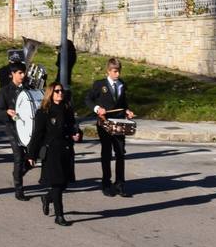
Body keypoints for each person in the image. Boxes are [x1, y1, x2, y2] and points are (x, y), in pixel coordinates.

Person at [24, 81, 82, 226]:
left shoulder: (67, 109)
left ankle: (47, 198)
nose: (60, 93)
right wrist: (31, 155)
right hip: (51, 151)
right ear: (51, 93)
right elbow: (37, 135)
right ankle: (59, 216)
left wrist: (77, 134)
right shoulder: (43, 112)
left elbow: (73, 127)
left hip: (66, 150)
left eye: (61, 91)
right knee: (56, 184)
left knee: (64, 183)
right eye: (57, 91)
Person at [86, 59, 135, 197]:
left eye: (119, 71)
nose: (117, 74)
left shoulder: (122, 85)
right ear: (108, 71)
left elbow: (124, 103)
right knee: (106, 153)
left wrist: (127, 111)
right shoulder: (99, 84)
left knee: (120, 153)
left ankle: (120, 184)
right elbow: (88, 100)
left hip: (119, 124)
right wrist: (97, 108)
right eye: (115, 71)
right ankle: (106, 183)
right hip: (105, 123)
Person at [0, 61, 35, 200]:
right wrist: (7, 112)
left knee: (33, 157)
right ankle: (19, 189)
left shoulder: (29, 89)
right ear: (12, 74)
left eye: (24, 73)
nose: (23, 75)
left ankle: (18, 173)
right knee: (18, 156)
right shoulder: (5, 91)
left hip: (29, 128)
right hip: (13, 128)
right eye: (19, 73)